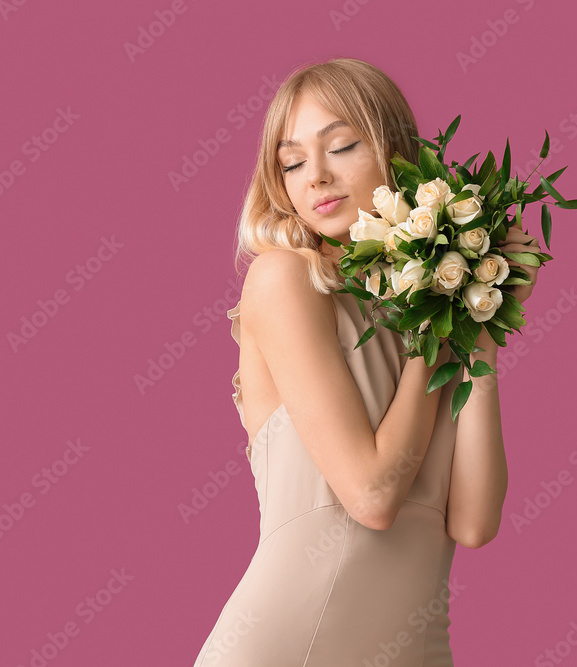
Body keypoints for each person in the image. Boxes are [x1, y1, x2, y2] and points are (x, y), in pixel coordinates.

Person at [192, 57, 541, 666]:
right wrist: (440, 325)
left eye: (342, 146)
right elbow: (374, 495)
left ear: (400, 154)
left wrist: (479, 328)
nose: (316, 178)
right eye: (292, 162)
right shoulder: (287, 283)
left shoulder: (429, 310)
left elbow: (474, 523)